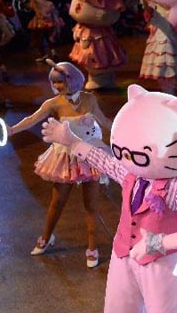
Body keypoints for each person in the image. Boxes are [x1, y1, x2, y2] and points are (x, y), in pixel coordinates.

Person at [8, 60, 111, 268]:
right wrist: (12, 130)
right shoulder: (53, 103)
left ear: (72, 80)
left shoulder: (90, 99)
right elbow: (32, 119)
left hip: (90, 154)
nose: (56, 86)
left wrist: (126, 131)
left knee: (91, 205)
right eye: (54, 82)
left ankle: (92, 246)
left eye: (60, 82)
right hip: (66, 157)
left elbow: (104, 121)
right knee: (57, 202)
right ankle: (46, 237)